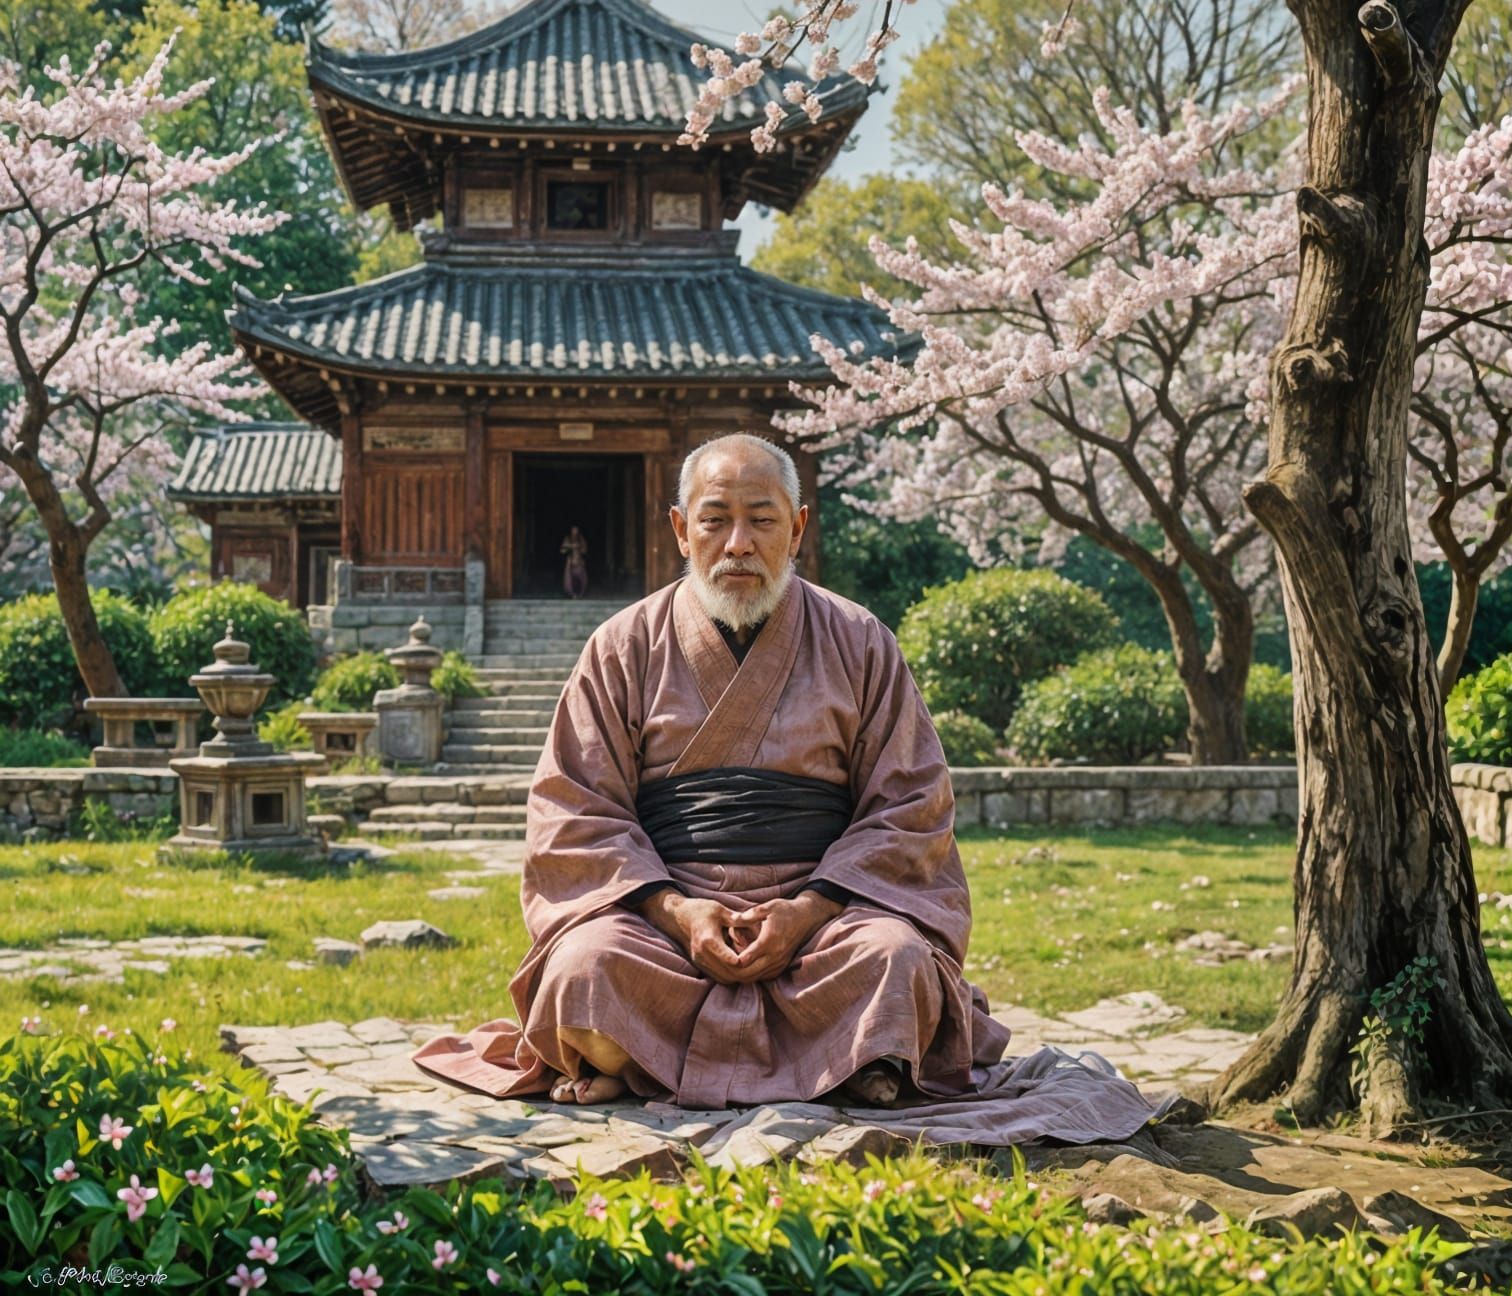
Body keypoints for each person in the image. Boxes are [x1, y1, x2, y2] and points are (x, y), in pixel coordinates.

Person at [415, 434, 1160, 1141]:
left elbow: (910, 806)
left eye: (761, 520)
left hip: (829, 920)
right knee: (584, 973)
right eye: (715, 520)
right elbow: (576, 810)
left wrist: (807, 911)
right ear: (681, 530)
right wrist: (677, 912)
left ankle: (642, 1066)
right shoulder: (621, 646)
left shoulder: (860, 639)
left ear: (797, 527)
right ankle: (848, 1068)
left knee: (896, 963)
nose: (738, 543)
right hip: (664, 923)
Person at [560, 524, 588, 598]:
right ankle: (572, 594)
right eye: (573, 530)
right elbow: (562, 550)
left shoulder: (580, 539)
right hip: (570, 562)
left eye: (576, 530)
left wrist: (578, 547)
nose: (575, 531)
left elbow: (584, 550)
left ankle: (580, 593)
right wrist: (571, 546)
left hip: (579, 562)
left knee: (582, 578)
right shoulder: (567, 538)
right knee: (569, 579)